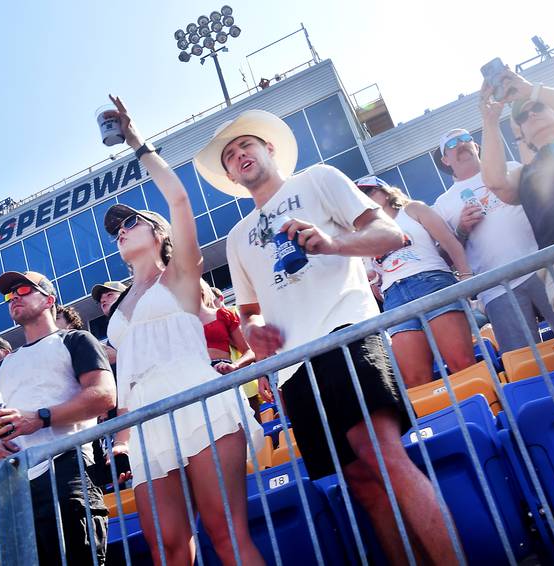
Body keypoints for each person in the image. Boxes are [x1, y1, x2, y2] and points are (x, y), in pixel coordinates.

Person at [194, 109, 460, 564]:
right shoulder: (237, 237)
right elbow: (250, 312)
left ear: (270, 149)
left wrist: (333, 244)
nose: (240, 156)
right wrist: (255, 332)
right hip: (293, 369)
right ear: (230, 176)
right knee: (358, 481)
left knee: (382, 454)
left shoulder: (318, 178)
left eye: (247, 146)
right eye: (231, 155)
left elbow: (389, 233)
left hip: (345, 333)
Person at [103, 95, 264, 565]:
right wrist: (123, 436)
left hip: (198, 398)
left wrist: (134, 140)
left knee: (225, 531)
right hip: (146, 418)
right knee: (168, 546)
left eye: (132, 222)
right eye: (117, 230)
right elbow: (125, 380)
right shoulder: (116, 312)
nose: (121, 231)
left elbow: (177, 197)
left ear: (158, 234)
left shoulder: (180, 277)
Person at [0, 270, 117, 566]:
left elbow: (104, 395)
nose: (13, 298)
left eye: (23, 291)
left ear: (49, 300)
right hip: (15, 485)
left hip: (68, 467)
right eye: (10, 295)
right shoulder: (4, 366)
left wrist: (41, 418)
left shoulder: (75, 340)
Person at [432, 127, 554, 352]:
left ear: (476, 146)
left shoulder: (509, 169)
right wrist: (462, 229)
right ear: (445, 159)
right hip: (497, 289)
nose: (460, 144)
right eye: (451, 145)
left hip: (543, 268)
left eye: (465, 139)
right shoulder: (443, 203)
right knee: (524, 361)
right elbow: (445, 255)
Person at [355, 176, 475, 387]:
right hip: (394, 296)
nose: (365, 199)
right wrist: (375, 283)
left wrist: (466, 278)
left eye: (369, 192)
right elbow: (372, 281)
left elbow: (450, 242)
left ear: (385, 190)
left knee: (461, 362)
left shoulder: (413, 210)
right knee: (415, 380)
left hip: (431, 281)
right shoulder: (363, 235)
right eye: (359, 197)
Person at [480, 70, 554, 337]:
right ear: (523, 134)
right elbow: (495, 181)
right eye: (522, 116)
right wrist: (490, 121)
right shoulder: (525, 173)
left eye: (538, 108)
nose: (531, 115)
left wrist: (531, 90)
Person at [199, 279, 261, 419]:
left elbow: (249, 351)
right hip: (199, 384)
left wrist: (234, 366)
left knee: (241, 425)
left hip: (225, 377)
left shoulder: (223, 315)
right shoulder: (179, 325)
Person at [91, 281, 127, 366]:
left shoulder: (139, 317)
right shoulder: (111, 337)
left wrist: (118, 357)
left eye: (109, 295)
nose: (103, 300)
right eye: (100, 299)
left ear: (125, 295)